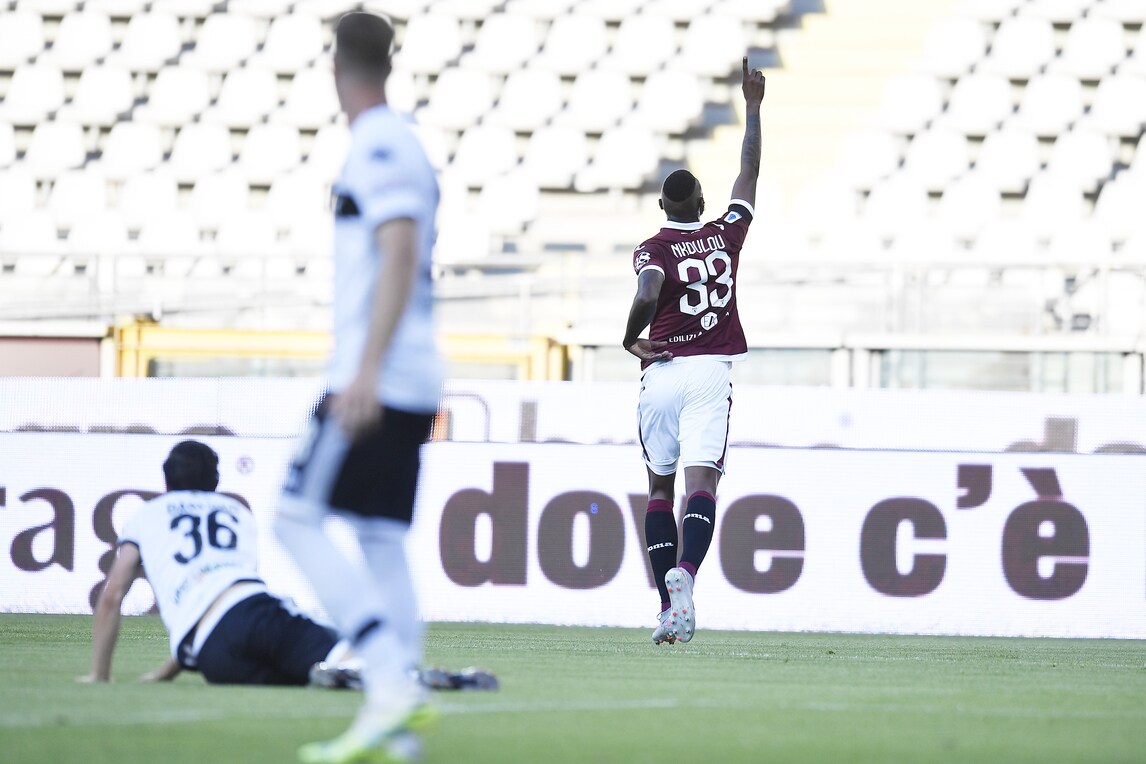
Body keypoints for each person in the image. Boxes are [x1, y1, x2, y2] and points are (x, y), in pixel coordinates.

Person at [272, 11, 445, 764]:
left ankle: (384, 676)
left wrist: (367, 367)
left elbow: (398, 250)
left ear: (335, 67)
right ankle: (396, 726)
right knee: (379, 539)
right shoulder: (397, 142)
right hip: (408, 372)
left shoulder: (378, 144)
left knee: (293, 518)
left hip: (380, 374)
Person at [622, 56, 766, 646]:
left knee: (659, 489)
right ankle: (686, 572)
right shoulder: (724, 235)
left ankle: (667, 607)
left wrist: (630, 338)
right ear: (701, 202)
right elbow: (749, 172)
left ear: (663, 208)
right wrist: (752, 106)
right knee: (701, 487)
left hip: (660, 370)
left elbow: (648, 290)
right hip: (710, 371)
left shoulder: (652, 246)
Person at [78, 440, 356, 687]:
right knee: (347, 657)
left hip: (214, 656)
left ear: (167, 481)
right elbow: (231, 600)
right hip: (253, 614)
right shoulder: (237, 512)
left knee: (305, 678)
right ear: (215, 480)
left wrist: (100, 674)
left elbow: (111, 597)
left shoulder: (145, 515)